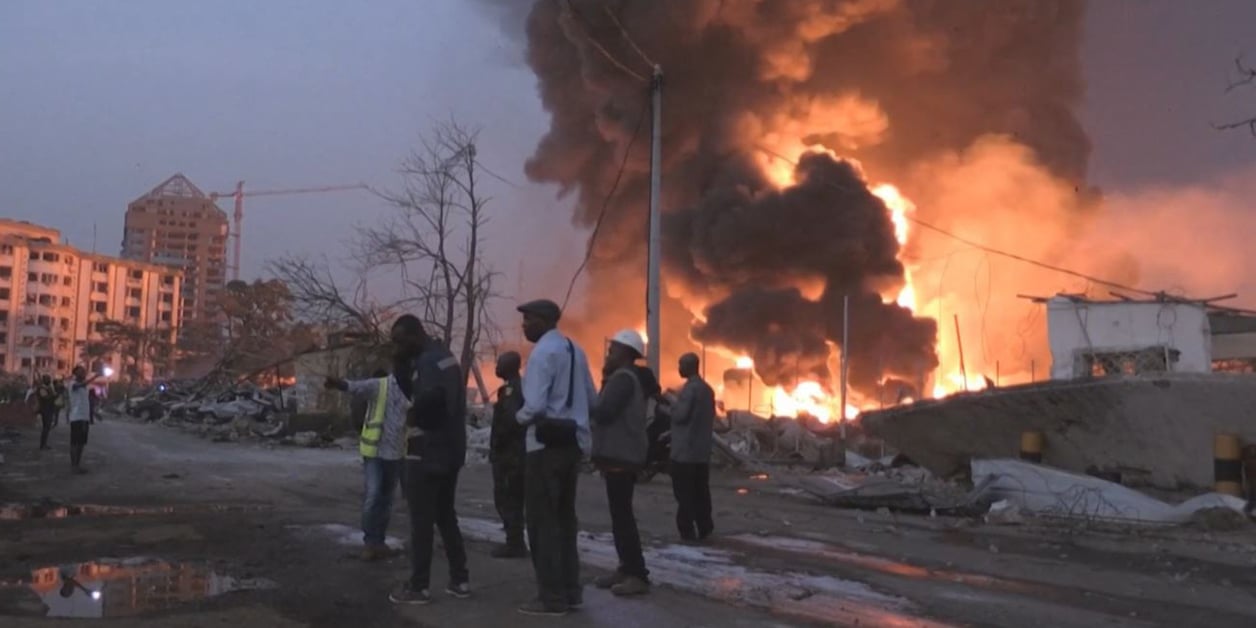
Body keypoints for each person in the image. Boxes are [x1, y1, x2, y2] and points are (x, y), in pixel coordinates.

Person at [514, 299, 596, 617]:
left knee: (541, 522)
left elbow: (533, 407)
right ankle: (571, 591)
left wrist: (516, 419)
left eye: (528, 319)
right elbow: (592, 398)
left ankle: (550, 598)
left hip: (544, 449)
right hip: (571, 446)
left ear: (545, 320)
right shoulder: (576, 349)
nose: (524, 326)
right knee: (564, 521)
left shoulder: (542, 354)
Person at [388, 315, 470, 606]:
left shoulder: (425, 363)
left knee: (421, 520)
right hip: (452, 449)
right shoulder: (444, 356)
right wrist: (400, 366)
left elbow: (430, 398)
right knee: (445, 514)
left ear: (413, 335)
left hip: (427, 449)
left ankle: (418, 586)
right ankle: (460, 579)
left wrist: (414, 414)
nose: (396, 346)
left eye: (399, 341)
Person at [590, 329, 651, 596]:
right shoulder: (624, 377)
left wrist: (586, 401)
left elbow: (604, 412)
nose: (608, 353)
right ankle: (626, 568)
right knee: (619, 516)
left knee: (623, 517)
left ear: (626, 353)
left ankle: (637, 574)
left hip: (621, 456)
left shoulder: (622, 379)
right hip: (621, 455)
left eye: (613, 349)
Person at [325, 368, 407, 562]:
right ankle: (370, 543)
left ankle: (379, 542)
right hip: (375, 452)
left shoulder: (413, 389)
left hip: (396, 453)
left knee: (386, 500)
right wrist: (339, 383)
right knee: (373, 495)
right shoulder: (382, 385)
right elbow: (355, 387)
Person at [669, 353, 717, 542]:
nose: (679, 369)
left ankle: (686, 530)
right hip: (701, 451)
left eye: (681, 365)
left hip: (684, 453)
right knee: (701, 491)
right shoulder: (707, 389)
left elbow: (681, 416)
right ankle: (705, 526)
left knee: (684, 493)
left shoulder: (690, 390)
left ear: (690, 367)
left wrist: (670, 406)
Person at [489, 351, 528, 558]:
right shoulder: (513, 388)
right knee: (510, 497)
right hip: (512, 453)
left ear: (510, 366)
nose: (496, 366)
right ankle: (514, 540)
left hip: (509, 455)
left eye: (500, 363)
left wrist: (499, 446)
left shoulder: (512, 390)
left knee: (507, 497)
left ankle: (514, 543)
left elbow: (510, 422)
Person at [67, 366, 100, 474]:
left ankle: (77, 465)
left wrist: (94, 414)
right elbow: (81, 385)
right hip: (76, 417)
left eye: (84, 371)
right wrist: (95, 377)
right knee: (75, 443)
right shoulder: (72, 384)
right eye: (81, 372)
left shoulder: (85, 388)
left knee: (81, 443)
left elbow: (86, 403)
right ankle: (73, 466)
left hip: (84, 417)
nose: (84, 373)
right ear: (76, 373)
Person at [35, 375, 59, 450]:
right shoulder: (42, 388)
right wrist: (54, 395)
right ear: (44, 380)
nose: (49, 381)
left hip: (48, 409)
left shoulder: (48, 388)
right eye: (48, 379)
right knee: (46, 427)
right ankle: (43, 445)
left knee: (47, 428)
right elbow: (45, 398)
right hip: (45, 409)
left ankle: (44, 444)